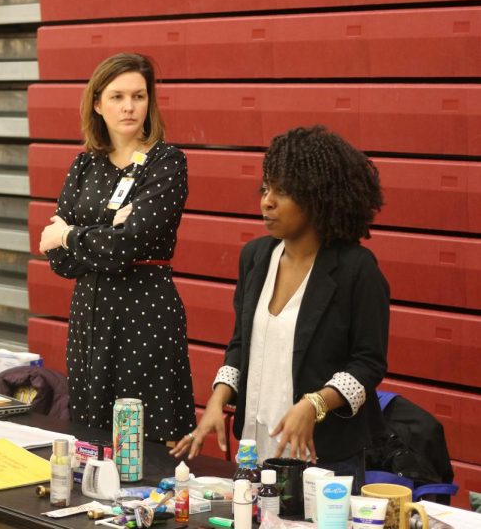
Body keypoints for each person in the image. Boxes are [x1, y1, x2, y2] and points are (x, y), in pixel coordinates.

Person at [171, 125, 389, 490]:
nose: (266, 201)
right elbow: (241, 344)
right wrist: (216, 402)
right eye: (265, 188)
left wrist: (314, 405)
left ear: (318, 198)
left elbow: (368, 364)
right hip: (255, 454)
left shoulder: (357, 269)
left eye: (282, 192)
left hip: (324, 461)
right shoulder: (255, 257)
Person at [39, 52, 195, 443]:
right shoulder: (84, 165)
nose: (129, 107)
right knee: (91, 435)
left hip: (144, 311)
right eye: (117, 96)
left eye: (139, 96)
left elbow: (129, 244)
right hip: (89, 315)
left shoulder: (166, 162)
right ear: (97, 103)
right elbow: (58, 260)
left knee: (144, 437)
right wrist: (106, 232)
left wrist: (72, 234)